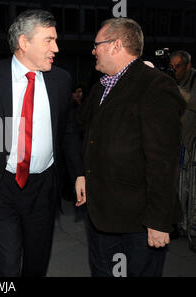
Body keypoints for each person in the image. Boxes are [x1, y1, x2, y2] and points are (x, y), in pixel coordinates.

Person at [0, 9, 85, 277]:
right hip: (1, 184)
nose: (56, 48)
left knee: (37, 261)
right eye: (48, 40)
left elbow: (69, 130)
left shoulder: (61, 80)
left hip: (43, 187)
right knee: (8, 260)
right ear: (24, 43)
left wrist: (79, 173)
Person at [77, 18, 186, 277]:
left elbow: (163, 160)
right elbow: (85, 132)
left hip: (139, 221)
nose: (93, 51)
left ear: (116, 45)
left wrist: (159, 222)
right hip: (101, 215)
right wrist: (81, 172)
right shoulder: (101, 87)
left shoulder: (155, 85)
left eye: (97, 45)